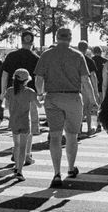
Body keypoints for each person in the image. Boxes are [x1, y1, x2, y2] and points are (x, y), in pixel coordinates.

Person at [34, 26, 97, 188]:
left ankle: (56, 173)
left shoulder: (46, 55)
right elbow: (85, 81)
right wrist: (93, 99)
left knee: (55, 136)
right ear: (70, 38)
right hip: (73, 98)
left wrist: (40, 94)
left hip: (53, 97)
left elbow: (39, 80)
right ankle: (70, 167)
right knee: (71, 135)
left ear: (56, 37)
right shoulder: (78, 56)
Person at [0, 30, 40, 164]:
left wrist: (2, 92)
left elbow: (4, 75)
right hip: (29, 94)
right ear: (32, 42)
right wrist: (39, 93)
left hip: (13, 94)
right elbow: (39, 78)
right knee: (29, 125)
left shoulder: (11, 56)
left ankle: (15, 151)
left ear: (21, 40)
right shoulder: (36, 58)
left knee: (15, 122)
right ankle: (27, 154)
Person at [3, 68, 38, 181]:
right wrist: (43, 98)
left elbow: (6, 106)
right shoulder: (30, 92)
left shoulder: (9, 91)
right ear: (26, 80)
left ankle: (16, 166)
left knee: (16, 145)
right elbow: (39, 105)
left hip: (13, 121)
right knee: (23, 147)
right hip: (24, 121)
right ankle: (19, 171)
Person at [78, 40, 100, 136]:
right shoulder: (89, 61)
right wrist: (95, 90)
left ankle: (78, 129)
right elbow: (93, 76)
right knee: (89, 108)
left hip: (77, 86)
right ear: (86, 49)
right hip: (87, 86)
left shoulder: (74, 59)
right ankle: (90, 127)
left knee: (79, 109)